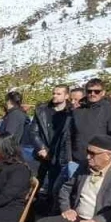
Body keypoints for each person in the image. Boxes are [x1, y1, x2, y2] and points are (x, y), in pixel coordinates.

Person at [32, 85, 75, 214]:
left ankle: (53, 212)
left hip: (60, 154)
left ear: (66, 96)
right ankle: (32, 211)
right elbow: (33, 132)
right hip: (44, 153)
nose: (55, 96)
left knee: (57, 185)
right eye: (54, 93)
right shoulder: (43, 110)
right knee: (37, 183)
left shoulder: (71, 112)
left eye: (58, 94)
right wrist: (41, 148)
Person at [69, 78, 111, 167]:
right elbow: (69, 137)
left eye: (97, 91)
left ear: (103, 93)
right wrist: (69, 159)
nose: (92, 94)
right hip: (77, 160)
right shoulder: (77, 112)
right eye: (89, 91)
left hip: (99, 161)